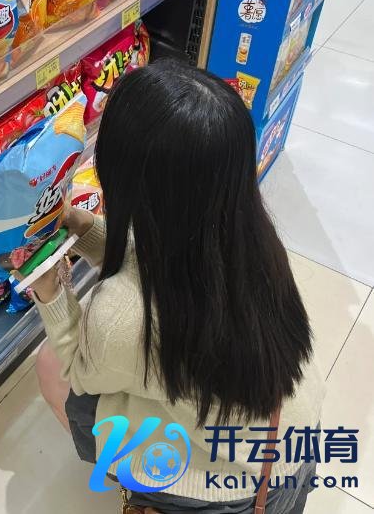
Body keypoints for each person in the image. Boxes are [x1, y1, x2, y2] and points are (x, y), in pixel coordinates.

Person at [29, 59, 324, 513]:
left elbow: (78, 367)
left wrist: (50, 293)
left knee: (52, 367)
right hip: (291, 450)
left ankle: (150, 494)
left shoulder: (121, 315)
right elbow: (150, 259)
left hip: (230, 495)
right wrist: (78, 225)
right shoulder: (252, 243)